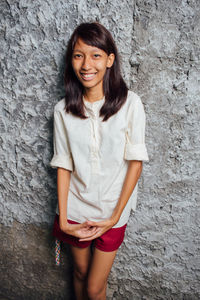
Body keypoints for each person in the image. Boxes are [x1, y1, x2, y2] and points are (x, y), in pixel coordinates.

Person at [50, 22, 149, 300]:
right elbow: (63, 164)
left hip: (112, 211)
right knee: (79, 274)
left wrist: (114, 217)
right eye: (78, 55)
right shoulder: (63, 110)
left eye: (95, 55)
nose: (86, 64)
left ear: (109, 59)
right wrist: (65, 219)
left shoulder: (131, 104)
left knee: (95, 288)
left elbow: (136, 163)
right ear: (71, 60)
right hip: (75, 210)